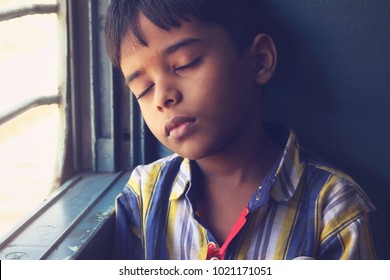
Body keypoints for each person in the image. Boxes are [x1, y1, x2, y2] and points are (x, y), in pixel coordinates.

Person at [104, 0, 388, 259]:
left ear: (260, 60)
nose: (162, 97)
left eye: (185, 63)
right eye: (144, 88)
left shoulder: (335, 211)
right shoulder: (142, 199)